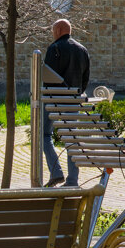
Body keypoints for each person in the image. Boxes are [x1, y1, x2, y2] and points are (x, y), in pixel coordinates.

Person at [41, 18, 90, 187]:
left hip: (54, 99)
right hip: (74, 100)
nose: (52, 34)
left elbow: (47, 76)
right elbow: (85, 79)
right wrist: (76, 93)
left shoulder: (54, 48)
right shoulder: (83, 50)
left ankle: (56, 172)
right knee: (71, 139)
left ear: (59, 30)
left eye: (53, 30)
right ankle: (72, 180)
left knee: (44, 135)